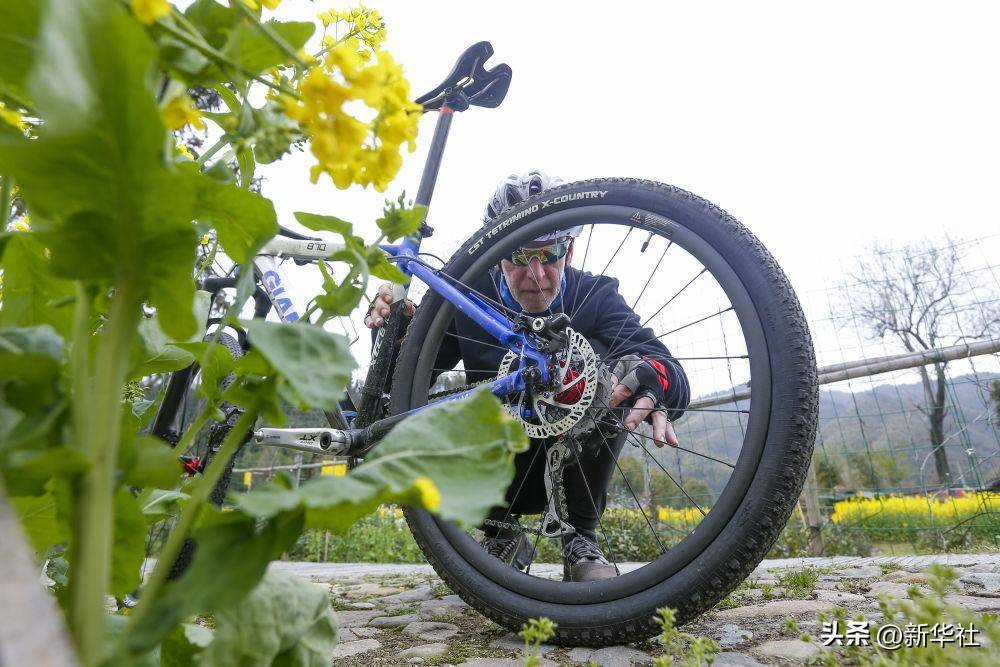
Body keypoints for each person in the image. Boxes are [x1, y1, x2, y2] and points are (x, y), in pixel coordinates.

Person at [366, 171, 690, 581]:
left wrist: (656, 378)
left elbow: (669, 370)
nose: (536, 275)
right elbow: (403, 391)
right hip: (494, 466)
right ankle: (500, 532)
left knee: (616, 375)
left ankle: (580, 539)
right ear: (497, 256)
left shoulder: (597, 295)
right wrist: (393, 333)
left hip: (573, 457)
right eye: (518, 257)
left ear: (569, 251)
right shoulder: (463, 297)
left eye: (550, 254)